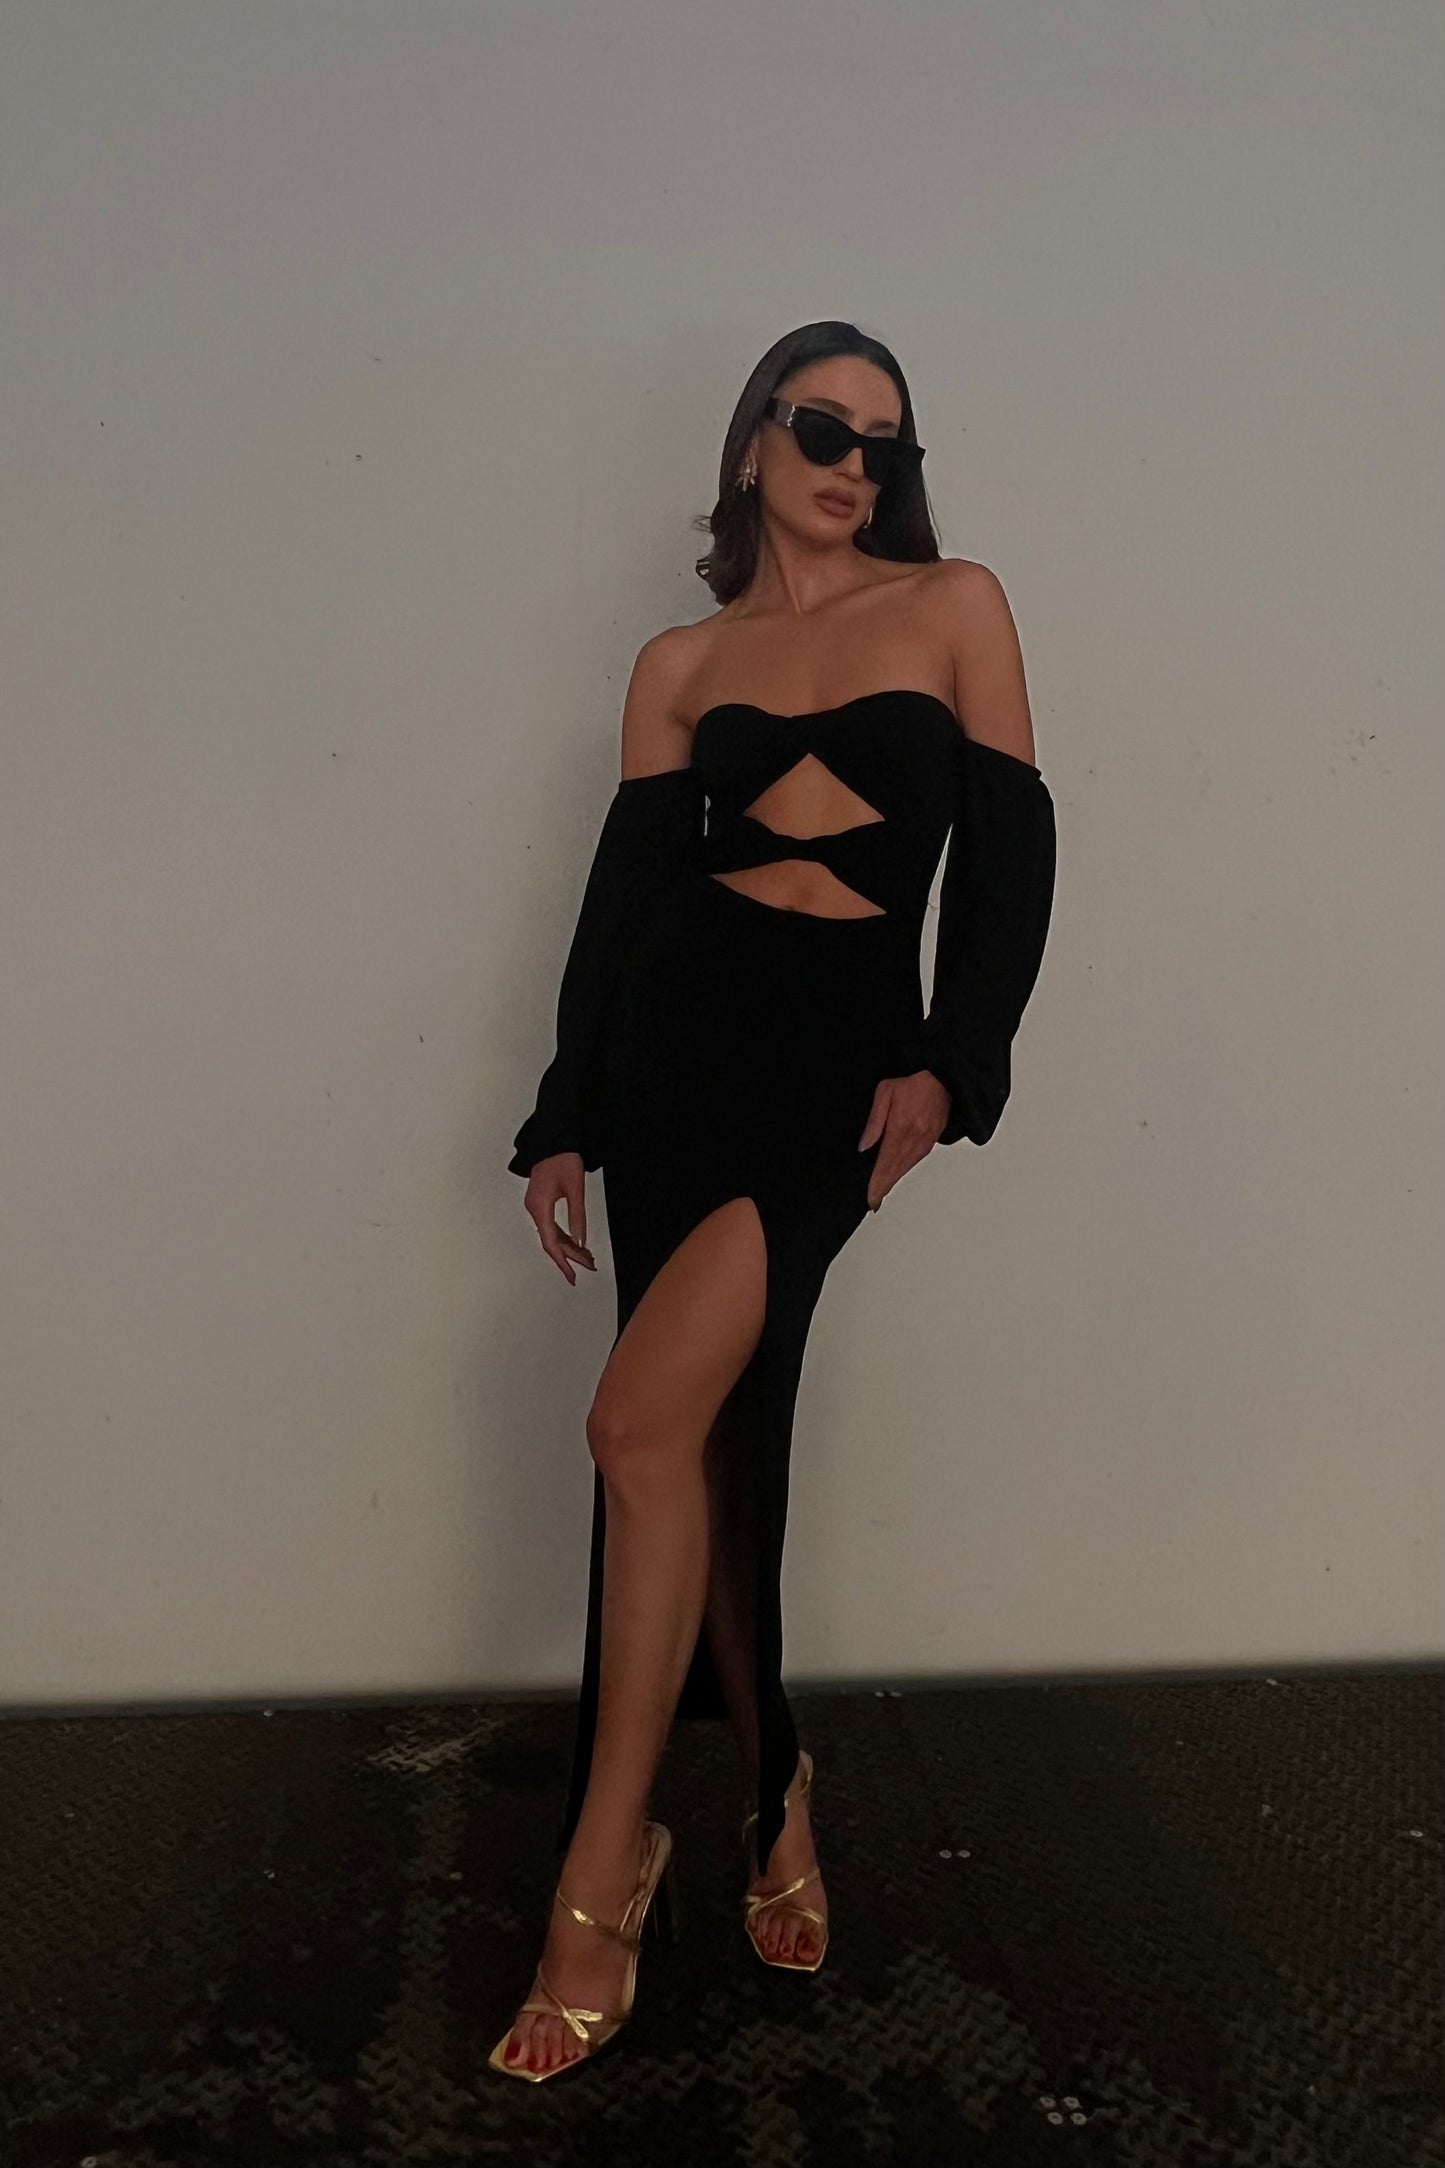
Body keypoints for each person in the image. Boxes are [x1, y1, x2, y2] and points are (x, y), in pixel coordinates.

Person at [490, 320, 1057, 2081]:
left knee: (632, 1423)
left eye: (885, 441)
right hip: (679, 1062)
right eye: (821, 427)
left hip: (836, 1073)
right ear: (752, 441)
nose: (853, 463)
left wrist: (955, 1061)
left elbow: (1014, 853)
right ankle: (766, 1794)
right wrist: (564, 1113)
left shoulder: (954, 605)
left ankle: (600, 1874)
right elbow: (622, 904)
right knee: (698, 1448)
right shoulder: (679, 661)